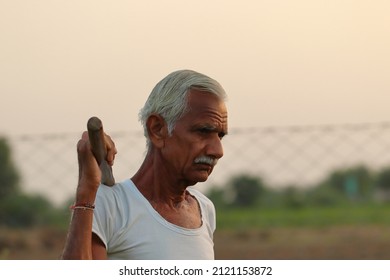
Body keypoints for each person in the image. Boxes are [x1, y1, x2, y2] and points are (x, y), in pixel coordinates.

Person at [61, 69, 228, 259]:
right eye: (203, 131)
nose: (217, 151)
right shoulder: (110, 204)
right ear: (157, 129)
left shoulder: (204, 209)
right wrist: (87, 189)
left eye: (220, 136)